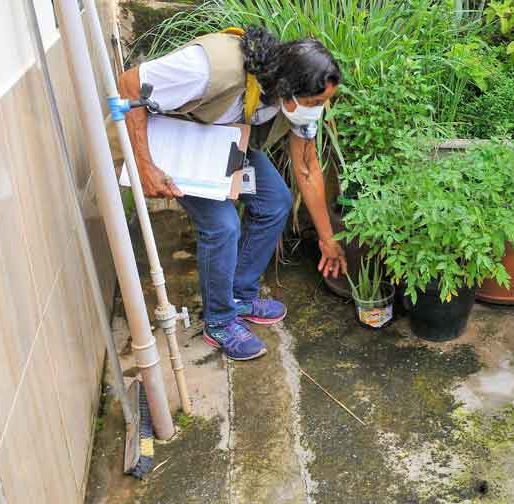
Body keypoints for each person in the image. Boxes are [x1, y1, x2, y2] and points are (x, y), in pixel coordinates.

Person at [119, 26, 347, 360]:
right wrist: (145, 164)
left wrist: (328, 239)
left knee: (275, 202)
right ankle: (220, 321)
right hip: (174, 141)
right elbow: (129, 84)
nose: (317, 110)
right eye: (314, 102)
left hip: (220, 141)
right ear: (287, 89)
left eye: (324, 102)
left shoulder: (297, 101)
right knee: (223, 226)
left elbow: (307, 168)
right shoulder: (210, 67)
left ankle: (239, 294)